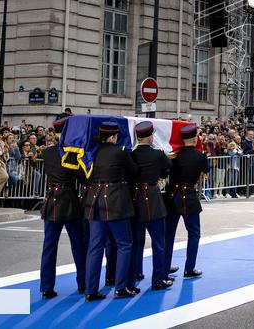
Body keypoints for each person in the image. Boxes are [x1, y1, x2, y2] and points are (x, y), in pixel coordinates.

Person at [82, 121, 138, 301]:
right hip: (115, 200)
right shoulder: (121, 151)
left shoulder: (92, 151)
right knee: (124, 243)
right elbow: (134, 172)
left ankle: (90, 290)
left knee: (95, 246)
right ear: (113, 136)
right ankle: (120, 287)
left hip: (94, 199)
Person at [39, 117, 86, 299]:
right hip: (69, 201)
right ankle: (83, 283)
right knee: (78, 245)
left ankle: (46, 287)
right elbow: (81, 177)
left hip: (52, 201)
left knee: (49, 247)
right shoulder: (71, 154)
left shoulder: (47, 152)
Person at [129, 122, 173, 290]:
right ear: (149, 136)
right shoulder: (157, 154)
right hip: (153, 199)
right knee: (158, 242)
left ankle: (134, 275)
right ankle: (158, 279)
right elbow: (167, 168)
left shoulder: (131, 155)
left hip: (135, 199)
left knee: (136, 242)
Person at [164, 124, 208, 279]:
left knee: (168, 234)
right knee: (194, 233)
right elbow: (206, 170)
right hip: (188, 195)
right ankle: (189, 269)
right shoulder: (200, 156)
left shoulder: (174, 155)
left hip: (172, 195)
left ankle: (164, 267)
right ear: (195, 138)